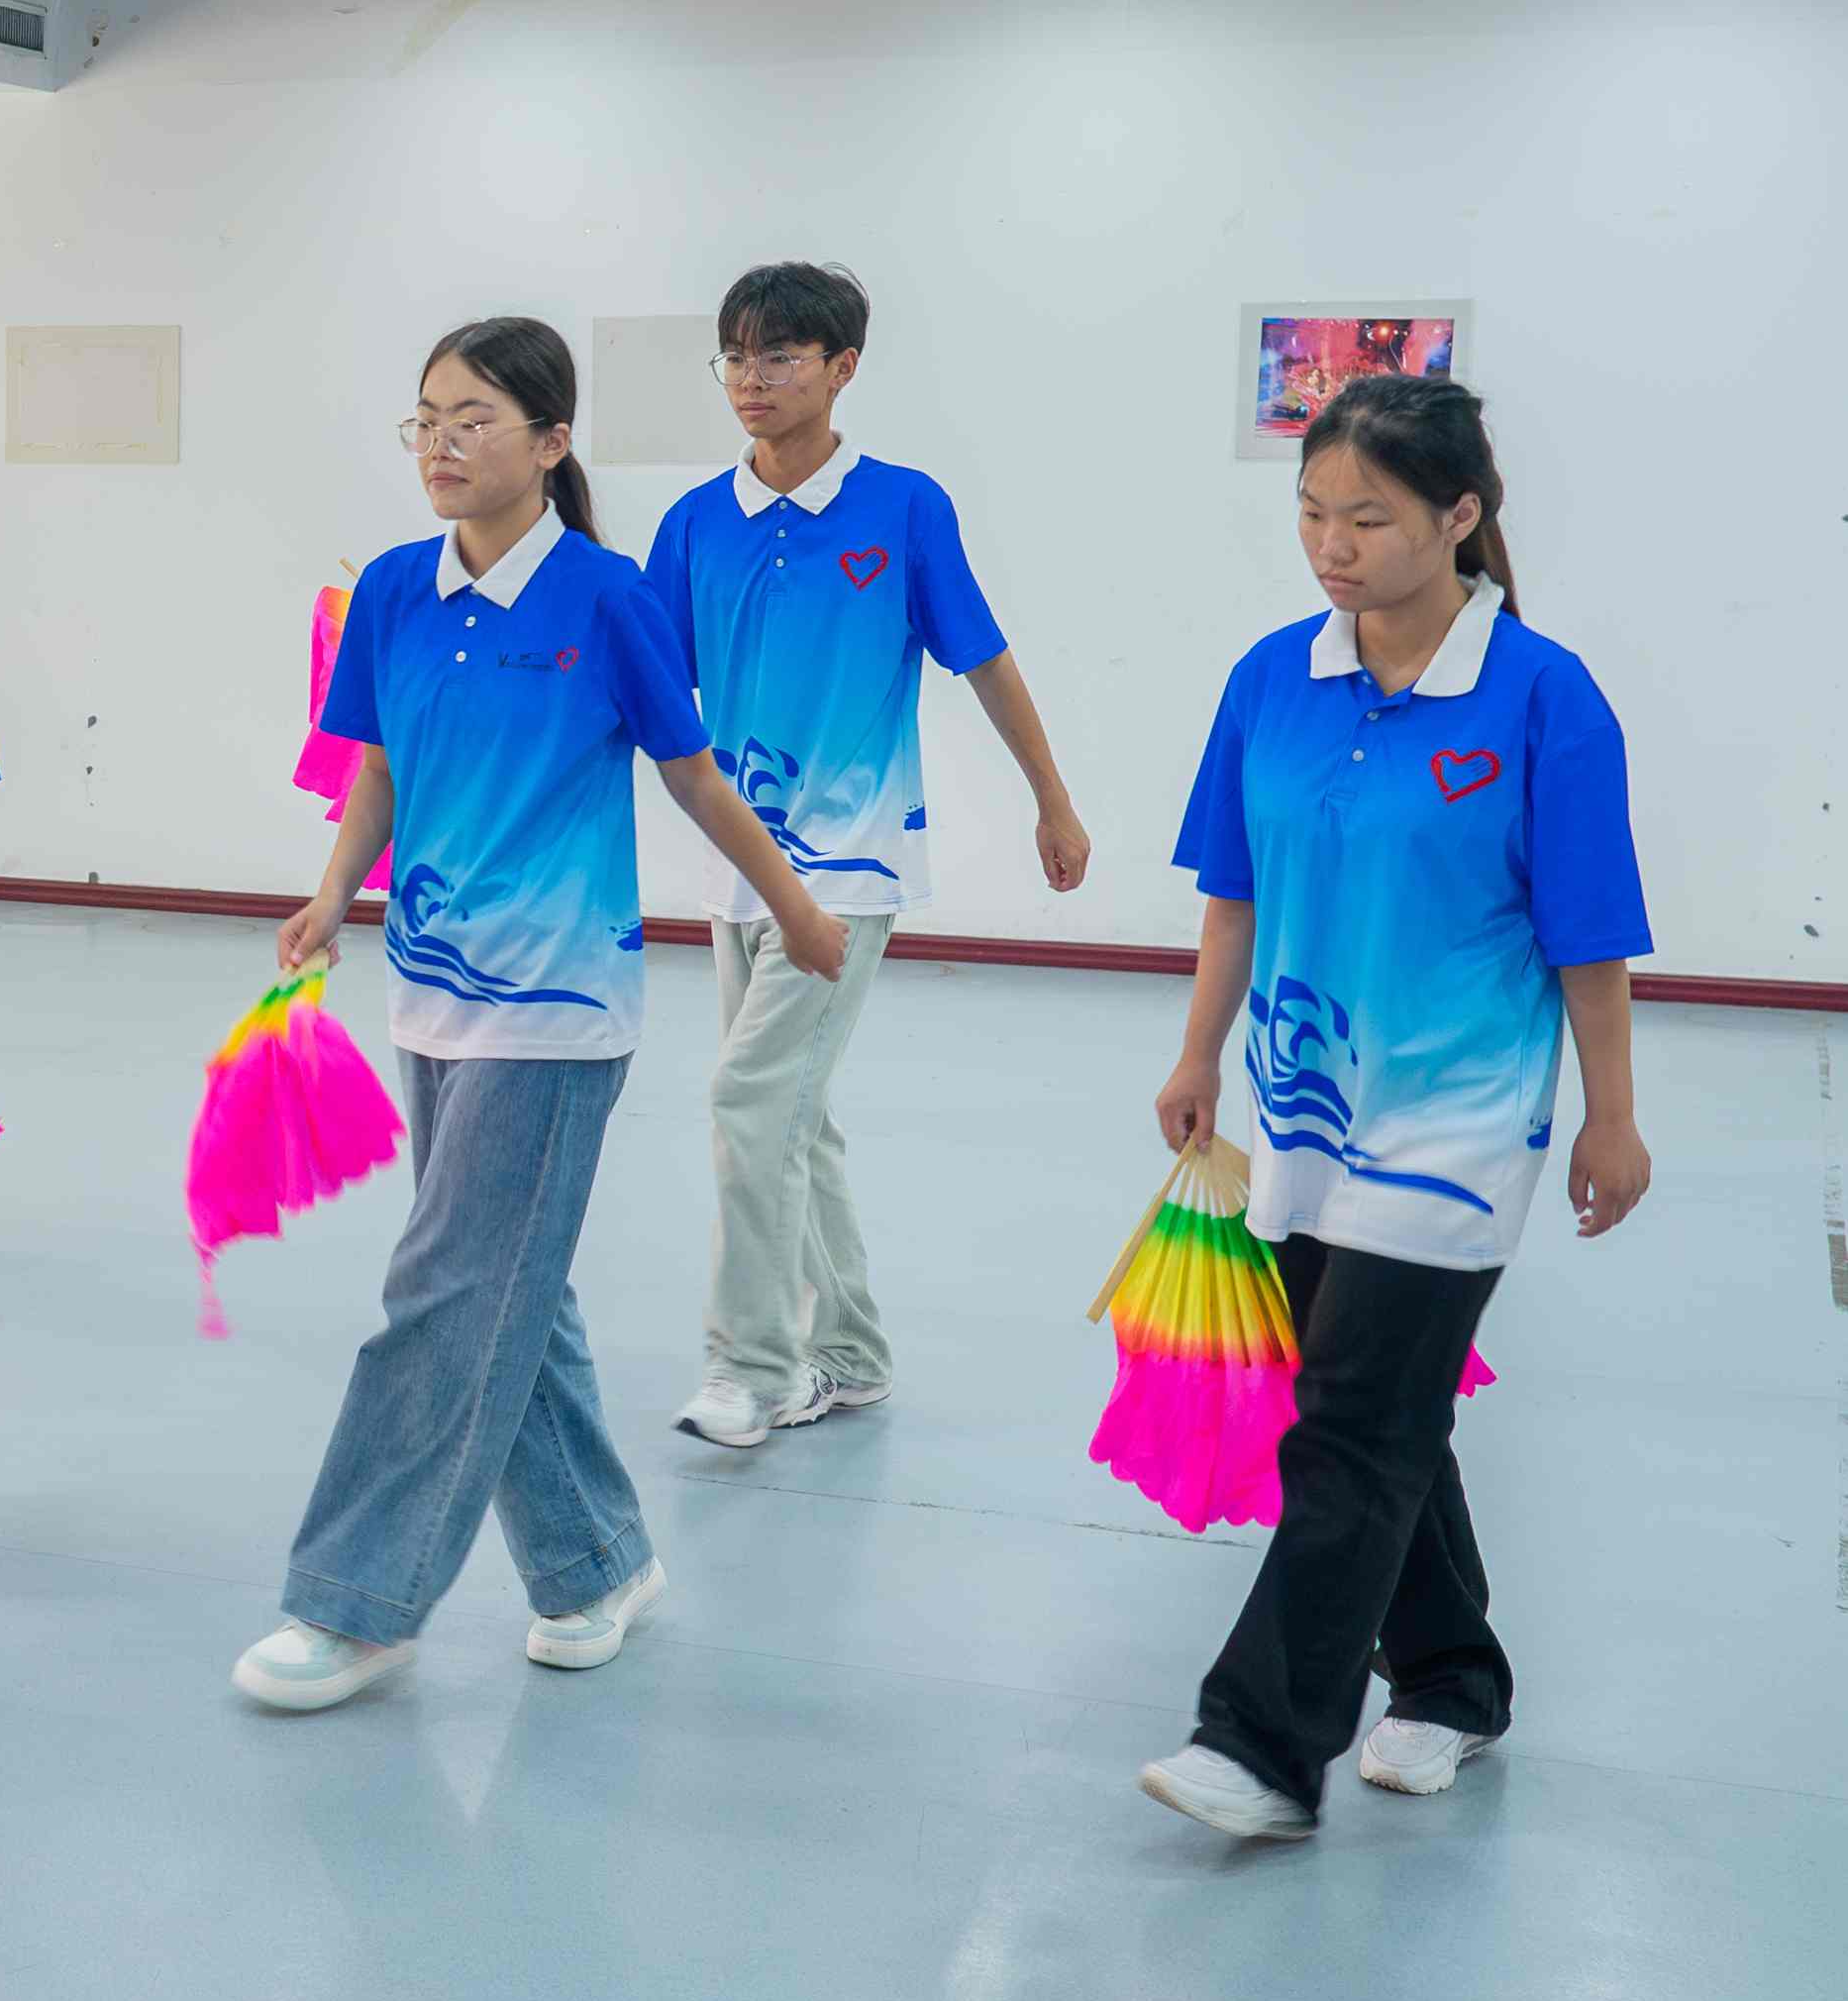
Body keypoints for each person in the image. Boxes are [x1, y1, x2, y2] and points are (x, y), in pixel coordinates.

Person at [230, 318, 849, 1714]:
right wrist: (333, 894)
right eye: (426, 419)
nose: (442, 445)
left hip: (560, 1005)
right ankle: (593, 1565)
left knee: (447, 1289)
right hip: (432, 990)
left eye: (475, 420)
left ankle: (355, 1602)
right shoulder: (393, 590)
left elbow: (692, 775)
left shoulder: (606, 597)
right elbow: (376, 767)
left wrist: (795, 908)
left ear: (551, 441)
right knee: (511, 1284)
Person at [1135, 374, 1650, 1841]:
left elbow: (1588, 941)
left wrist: (1611, 1117)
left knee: (1351, 1422)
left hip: (1458, 1127)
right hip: (1304, 1109)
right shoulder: (1271, 679)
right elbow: (1232, 897)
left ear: (1459, 515)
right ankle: (1452, 1678)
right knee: (1375, 1406)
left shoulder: (1541, 697)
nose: (1331, 545)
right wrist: (1196, 1056)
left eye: (1366, 518)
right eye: (1311, 513)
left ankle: (1261, 1744)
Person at [640, 263, 1092, 1450]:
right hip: (738, 866)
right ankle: (849, 1355)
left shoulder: (902, 509)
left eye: (780, 356)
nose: (751, 379)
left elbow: (982, 657)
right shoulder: (693, 522)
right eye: (735, 356)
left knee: (749, 1099)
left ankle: (753, 1368)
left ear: (842, 368)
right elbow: (640, 685)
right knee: (793, 1116)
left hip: (850, 863)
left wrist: (1050, 799)